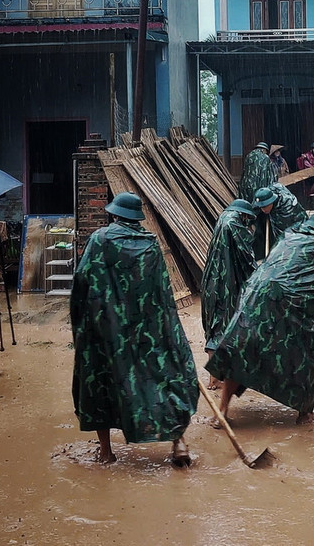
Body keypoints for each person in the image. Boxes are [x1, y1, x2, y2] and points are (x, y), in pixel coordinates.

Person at [70, 192, 198, 466]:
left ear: (115, 215)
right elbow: (164, 294)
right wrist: (169, 332)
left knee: (99, 382)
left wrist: (81, 326)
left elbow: (81, 283)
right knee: (169, 375)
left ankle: (106, 452)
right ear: (137, 218)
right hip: (147, 332)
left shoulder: (99, 240)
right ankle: (178, 441)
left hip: (107, 332)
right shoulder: (151, 245)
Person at [206, 211, 314, 424]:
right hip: (280, 308)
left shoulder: (287, 238)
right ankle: (305, 412)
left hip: (253, 301)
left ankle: (222, 412)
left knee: (240, 354)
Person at [201, 198, 257, 389]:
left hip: (212, 280)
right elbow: (245, 253)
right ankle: (216, 377)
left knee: (214, 326)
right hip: (226, 283)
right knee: (225, 325)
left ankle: (214, 378)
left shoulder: (223, 218)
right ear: (244, 214)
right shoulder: (233, 222)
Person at [252, 183, 306, 251]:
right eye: (261, 207)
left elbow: (285, 235)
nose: (263, 210)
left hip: (297, 226)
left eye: (265, 206)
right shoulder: (262, 197)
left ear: (272, 201)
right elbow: (253, 211)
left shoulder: (287, 207)